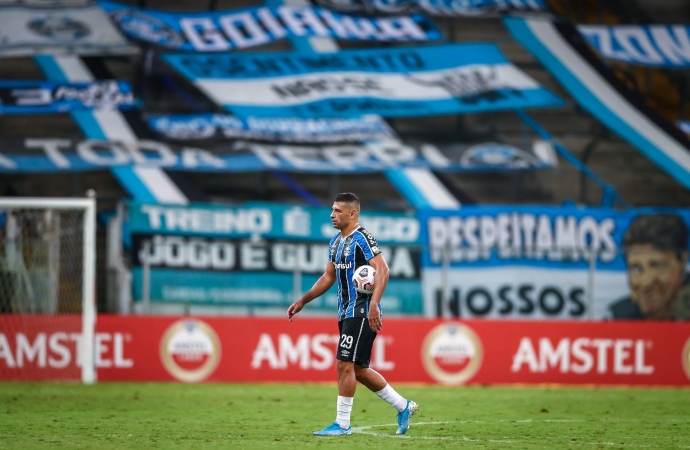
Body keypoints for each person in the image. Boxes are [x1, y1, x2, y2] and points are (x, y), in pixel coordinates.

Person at [287, 192, 418, 436]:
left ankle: (342, 424)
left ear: (352, 213)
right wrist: (303, 300)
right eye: (332, 210)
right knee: (357, 368)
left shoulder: (362, 238)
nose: (332, 214)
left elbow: (383, 270)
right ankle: (403, 405)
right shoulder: (335, 242)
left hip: (362, 310)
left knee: (343, 363)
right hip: (345, 312)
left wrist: (374, 305)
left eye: (337, 210)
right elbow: (329, 276)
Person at [608, 213, 690, 319]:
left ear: (682, 261)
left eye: (657, 266)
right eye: (636, 268)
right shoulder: (620, 316)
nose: (646, 282)